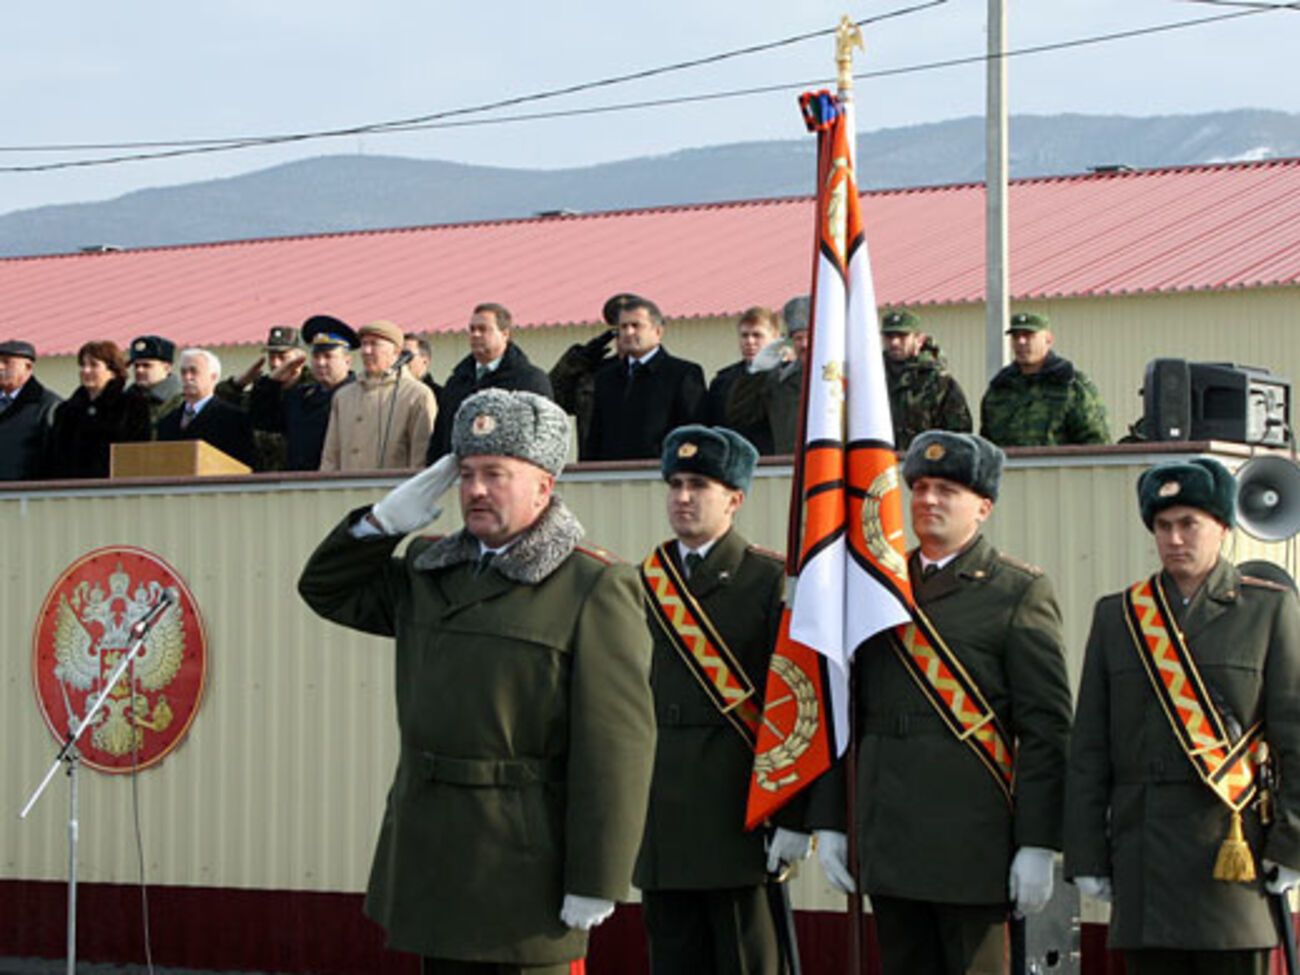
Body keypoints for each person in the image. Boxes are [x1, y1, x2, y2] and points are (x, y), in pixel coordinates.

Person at [298, 389, 656, 973]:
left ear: (544, 485)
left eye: (496, 473)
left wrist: (599, 877)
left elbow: (617, 748)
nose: (476, 490)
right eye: (465, 474)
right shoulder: (430, 568)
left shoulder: (592, 585)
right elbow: (326, 591)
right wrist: (381, 523)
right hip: (434, 855)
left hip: (525, 866)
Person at [812, 431, 1072, 975]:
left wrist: (1038, 843)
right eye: (921, 487)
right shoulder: (878, 583)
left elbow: (1046, 730)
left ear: (983, 506)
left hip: (971, 842)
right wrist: (833, 820)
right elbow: (845, 712)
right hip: (888, 831)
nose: (929, 500)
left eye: (947, 489)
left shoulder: (1016, 591)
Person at [1065, 457, 1300, 975]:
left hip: (1231, 861)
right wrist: (1085, 854)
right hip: (1145, 864)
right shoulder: (1119, 616)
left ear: (1222, 526)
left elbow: (1295, 737)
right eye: (1164, 526)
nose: (1175, 538)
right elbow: (1089, 750)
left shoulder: (1268, 611)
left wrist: (1292, 845)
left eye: (1189, 523)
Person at [636, 424, 810, 975]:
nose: (683, 497)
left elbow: (795, 708)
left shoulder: (769, 580)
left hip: (738, 816)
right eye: (676, 484)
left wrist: (794, 814)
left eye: (699, 486)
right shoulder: (645, 579)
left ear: (734, 498)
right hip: (661, 815)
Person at [584, 296, 706, 461]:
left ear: (658, 331)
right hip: (611, 478)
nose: (628, 332)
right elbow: (595, 437)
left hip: (661, 476)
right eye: (623, 326)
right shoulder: (606, 378)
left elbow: (694, 434)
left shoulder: (683, 374)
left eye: (636, 326)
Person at [426, 303, 551, 462]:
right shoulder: (457, 382)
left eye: (483, 329)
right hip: (460, 477)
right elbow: (440, 440)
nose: (475, 335)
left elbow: (544, 440)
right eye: (472, 329)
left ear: (505, 334)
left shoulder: (530, 381)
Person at [320, 320, 437, 471]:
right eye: (364, 344)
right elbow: (330, 456)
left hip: (393, 490)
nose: (366, 351)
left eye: (374, 344)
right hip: (347, 491)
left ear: (396, 351)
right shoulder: (343, 396)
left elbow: (420, 458)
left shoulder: (417, 395)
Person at [979, 312, 1110, 447]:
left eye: (1028, 335)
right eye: (1016, 337)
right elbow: (987, 446)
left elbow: (1096, 443)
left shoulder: (1071, 386)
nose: (1021, 342)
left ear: (1048, 340)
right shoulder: (1000, 389)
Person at [259, 316, 358, 472]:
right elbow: (264, 421)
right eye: (316, 356)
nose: (320, 363)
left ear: (347, 361)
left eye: (328, 356)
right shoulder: (300, 396)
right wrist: (273, 381)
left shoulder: (358, 396)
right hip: (298, 485)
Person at [46, 340, 151, 478]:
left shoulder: (132, 406)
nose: (86, 370)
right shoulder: (66, 411)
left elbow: (137, 455)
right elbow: (55, 458)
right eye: (83, 365)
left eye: (93, 365)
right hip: (72, 492)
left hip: (116, 490)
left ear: (113, 371)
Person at [217, 325, 310, 471]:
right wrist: (237, 384)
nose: (275, 363)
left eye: (282, 357)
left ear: (300, 359)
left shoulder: (312, 391)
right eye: (271, 357)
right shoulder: (262, 390)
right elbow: (218, 408)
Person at [725, 296, 810, 456]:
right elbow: (740, 415)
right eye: (798, 338)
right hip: (790, 467)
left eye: (810, 336)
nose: (804, 344)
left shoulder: (842, 378)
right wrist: (757, 372)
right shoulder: (780, 380)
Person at [880, 309, 972, 450]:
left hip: (927, 465)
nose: (894, 342)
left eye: (902, 336)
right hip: (879, 463)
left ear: (919, 339)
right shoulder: (874, 379)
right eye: (889, 336)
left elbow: (959, 434)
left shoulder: (938, 382)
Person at [549, 292, 627, 451]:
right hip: (594, 467)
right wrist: (580, 358)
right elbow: (553, 399)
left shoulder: (668, 373)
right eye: (619, 331)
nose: (628, 335)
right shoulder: (594, 375)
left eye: (635, 327)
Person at [157, 348, 257, 468]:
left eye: (194, 371)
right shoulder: (168, 422)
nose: (187, 377)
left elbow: (244, 466)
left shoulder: (234, 419)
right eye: (183, 372)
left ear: (213, 377)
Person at [705, 306, 781, 454]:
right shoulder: (723, 381)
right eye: (744, 335)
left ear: (775, 338)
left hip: (773, 463)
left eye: (757, 335)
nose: (750, 341)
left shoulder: (786, 377)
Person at [0, 339, 62, 480]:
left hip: (25, 495)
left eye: (6, 362)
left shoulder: (48, 406)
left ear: (27, 366)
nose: (0, 367)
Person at [124, 334, 183, 432]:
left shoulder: (183, 401)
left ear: (167, 368)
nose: (139, 370)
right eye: (136, 366)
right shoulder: (127, 399)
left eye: (146, 365)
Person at [403, 332, 443, 406]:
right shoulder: (393, 394)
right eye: (398, 355)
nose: (402, 360)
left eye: (407, 355)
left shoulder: (440, 396)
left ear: (425, 361)